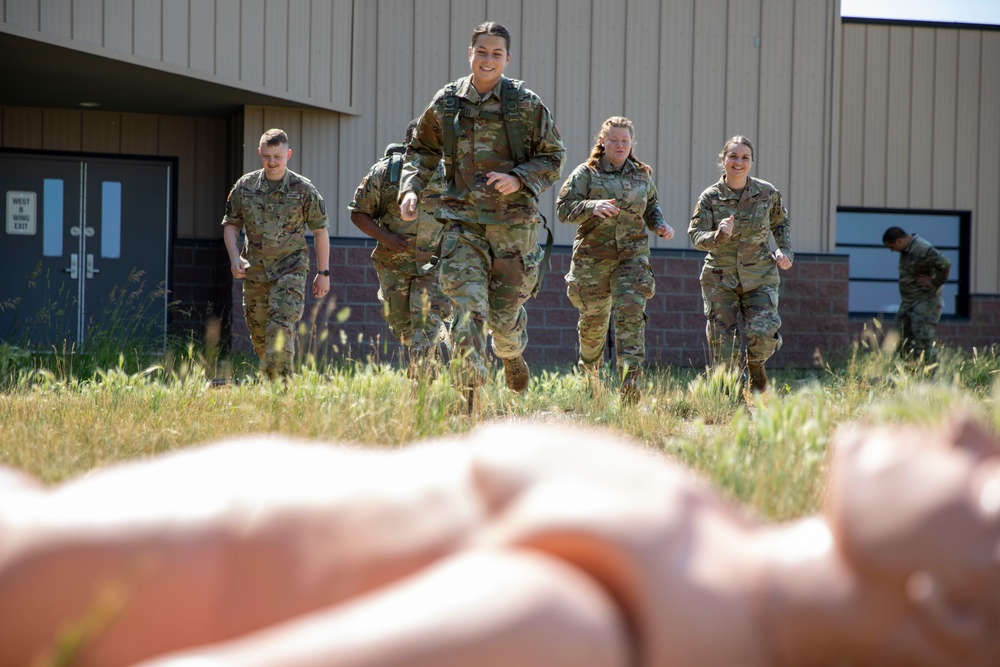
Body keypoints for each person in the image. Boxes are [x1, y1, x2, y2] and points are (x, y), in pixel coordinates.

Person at [2, 416, 999, 667]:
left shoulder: (582, 625)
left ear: (949, 607)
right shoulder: (711, 541)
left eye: (993, 481)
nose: (969, 428)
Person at [398, 21, 565, 406]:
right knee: (466, 310)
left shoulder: (526, 103)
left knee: (504, 320)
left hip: (512, 228)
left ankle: (510, 353)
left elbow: (553, 157)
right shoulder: (447, 101)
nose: (488, 59)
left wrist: (519, 179)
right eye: (481, 51)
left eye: (496, 53)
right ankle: (469, 400)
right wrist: (410, 188)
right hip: (461, 223)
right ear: (469, 54)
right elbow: (421, 150)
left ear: (507, 58)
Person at [556, 117, 674, 405]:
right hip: (593, 261)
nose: (620, 145)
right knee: (593, 326)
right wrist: (592, 206)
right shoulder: (587, 173)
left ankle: (630, 385)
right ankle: (591, 378)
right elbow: (563, 209)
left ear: (631, 143)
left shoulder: (642, 175)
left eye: (625, 140)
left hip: (631, 258)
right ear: (603, 141)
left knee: (630, 315)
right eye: (614, 140)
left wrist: (659, 224)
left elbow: (652, 206)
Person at [222, 128, 330, 381]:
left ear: (288, 154)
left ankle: (280, 388)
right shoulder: (245, 186)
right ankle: (275, 384)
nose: (272, 162)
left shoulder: (303, 189)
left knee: (280, 325)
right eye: (267, 156)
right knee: (260, 337)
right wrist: (234, 258)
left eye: (277, 156)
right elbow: (231, 225)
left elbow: (320, 231)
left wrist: (323, 272)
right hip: (255, 271)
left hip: (290, 268)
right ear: (259, 153)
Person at [688, 135, 793, 393]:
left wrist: (785, 250)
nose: (738, 162)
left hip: (760, 277)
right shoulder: (710, 197)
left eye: (745, 157)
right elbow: (695, 236)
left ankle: (756, 365)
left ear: (751, 162)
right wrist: (718, 235)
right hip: (720, 280)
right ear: (723, 160)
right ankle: (732, 404)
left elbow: (780, 223)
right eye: (733, 156)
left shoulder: (767, 193)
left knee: (763, 337)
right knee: (724, 347)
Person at [349, 120, 451, 378]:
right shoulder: (386, 173)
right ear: (409, 143)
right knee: (403, 328)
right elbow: (359, 213)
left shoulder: (451, 175)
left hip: (435, 264)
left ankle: (422, 384)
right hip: (394, 263)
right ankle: (430, 347)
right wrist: (386, 238)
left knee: (424, 320)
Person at [883, 226, 952, 362]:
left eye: (891, 247)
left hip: (925, 303)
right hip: (908, 303)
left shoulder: (922, 248)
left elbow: (945, 264)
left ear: (898, 241)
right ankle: (910, 373)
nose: (892, 251)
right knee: (900, 339)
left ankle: (931, 378)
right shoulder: (906, 250)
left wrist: (934, 282)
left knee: (924, 342)